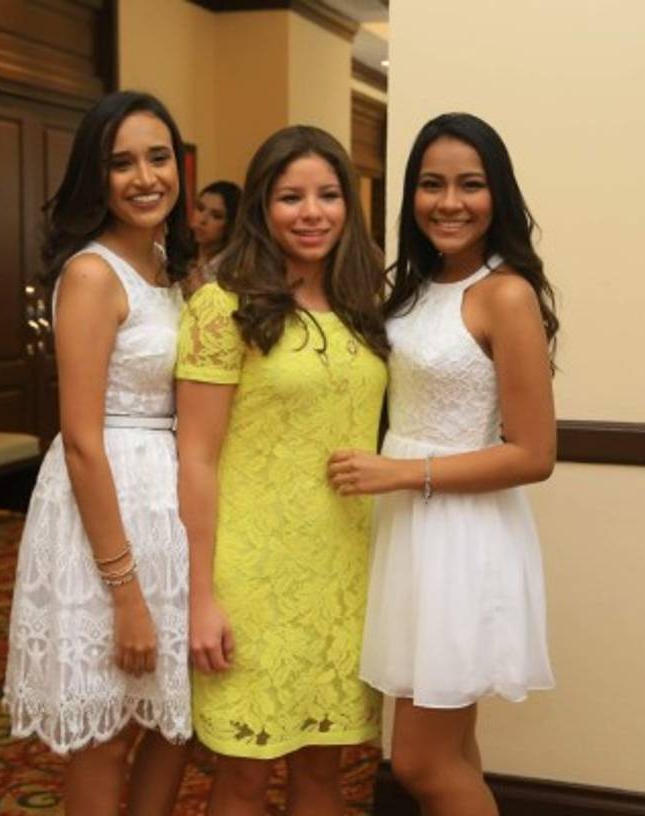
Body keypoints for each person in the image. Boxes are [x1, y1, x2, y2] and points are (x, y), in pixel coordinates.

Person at [328, 112, 560, 816]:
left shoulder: (506, 293)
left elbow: (534, 453)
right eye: (432, 184)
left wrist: (401, 474)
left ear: (499, 197)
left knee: (422, 763)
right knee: (453, 751)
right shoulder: (411, 284)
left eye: (470, 185)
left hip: (462, 540)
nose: (449, 202)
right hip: (409, 535)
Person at [176, 125, 388, 814]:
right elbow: (197, 459)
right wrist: (200, 594)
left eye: (328, 195)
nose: (312, 211)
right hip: (250, 577)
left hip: (344, 571)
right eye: (291, 196)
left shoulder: (366, 308)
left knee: (324, 771)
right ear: (262, 208)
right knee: (242, 774)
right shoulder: (223, 305)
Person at [3, 90, 194, 816]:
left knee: (175, 718)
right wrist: (127, 592)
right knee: (108, 734)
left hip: (166, 504)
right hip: (102, 514)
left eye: (158, 157)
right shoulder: (90, 274)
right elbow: (81, 441)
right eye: (121, 164)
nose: (146, 177)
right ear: (96, 177)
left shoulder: (169, 266)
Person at [185, 180, 241, 294]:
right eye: (200, 208)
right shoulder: (179, 255)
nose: (202, 220)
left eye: (216, 216)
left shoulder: (234, 271)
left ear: (230, 225)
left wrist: (201, 292)